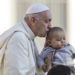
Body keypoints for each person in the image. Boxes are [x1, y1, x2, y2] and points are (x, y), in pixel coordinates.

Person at [0, 3, 52, 75]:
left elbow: (36, 71)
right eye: (46, 21)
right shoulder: (18, 38)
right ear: (33, 20)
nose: (50, 26)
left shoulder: (31, 37)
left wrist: (46, 55)